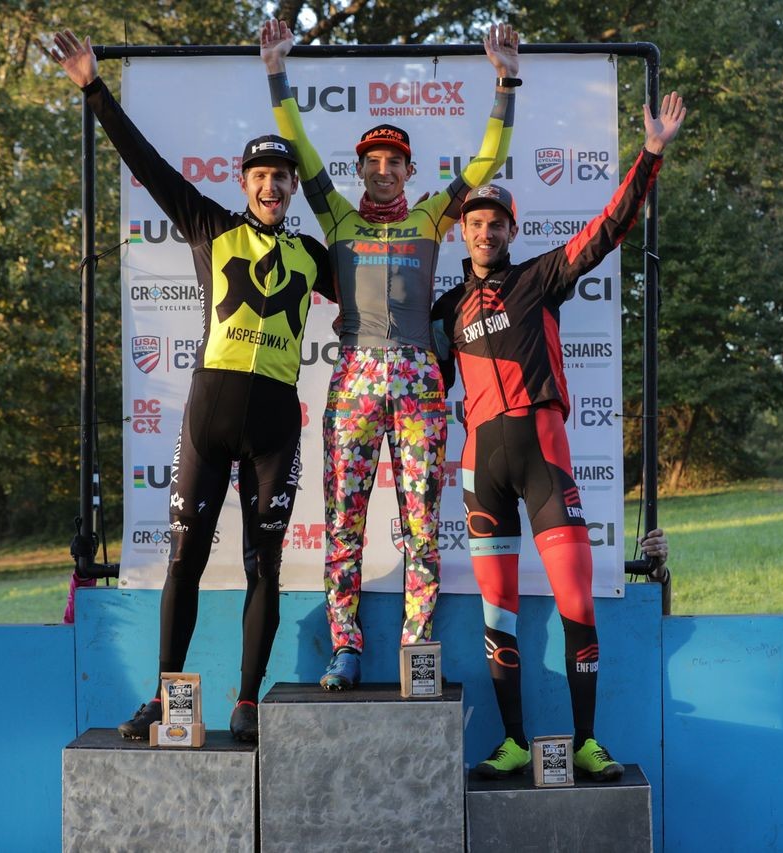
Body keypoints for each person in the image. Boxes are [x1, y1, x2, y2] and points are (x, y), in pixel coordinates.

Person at [44, 30, 336, 741]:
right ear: (245, 184)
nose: (271, 185)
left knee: (265, 563)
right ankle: (167, 696)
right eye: (260, 175)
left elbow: (383, 293)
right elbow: (146, 164)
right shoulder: (209, 224)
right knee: (187, 557)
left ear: (295, 187)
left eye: (283, 176)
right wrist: (92, 87)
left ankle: (246, 699)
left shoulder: (313, 254)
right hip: (208, 414)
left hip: (275, 423)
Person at [429, 92, 687, 779]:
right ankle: (514, 740)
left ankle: (586, 741)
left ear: (511, 231)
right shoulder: (446, 309)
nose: (485, 231)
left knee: (576, 600)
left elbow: (608, 227)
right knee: (499, 613)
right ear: (463, 232)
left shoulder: (540, 278)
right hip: (481, 464)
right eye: (475, 221)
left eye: (496, 222)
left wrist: (652, 153)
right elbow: (400, 350)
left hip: (545, 458)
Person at [259, 19, 520, 690]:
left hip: (419, 387)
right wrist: (276, 72)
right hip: (353, 383)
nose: (381, 172)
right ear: (361, 170)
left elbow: (487, 164)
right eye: (371, 163)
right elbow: (300, 149)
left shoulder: (433, 215)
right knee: (342, 525)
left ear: (407, 169)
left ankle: (417, 651)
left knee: (421, 528)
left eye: (393, 162)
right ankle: (346, 650)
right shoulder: (338, 219)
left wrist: (505, 81)